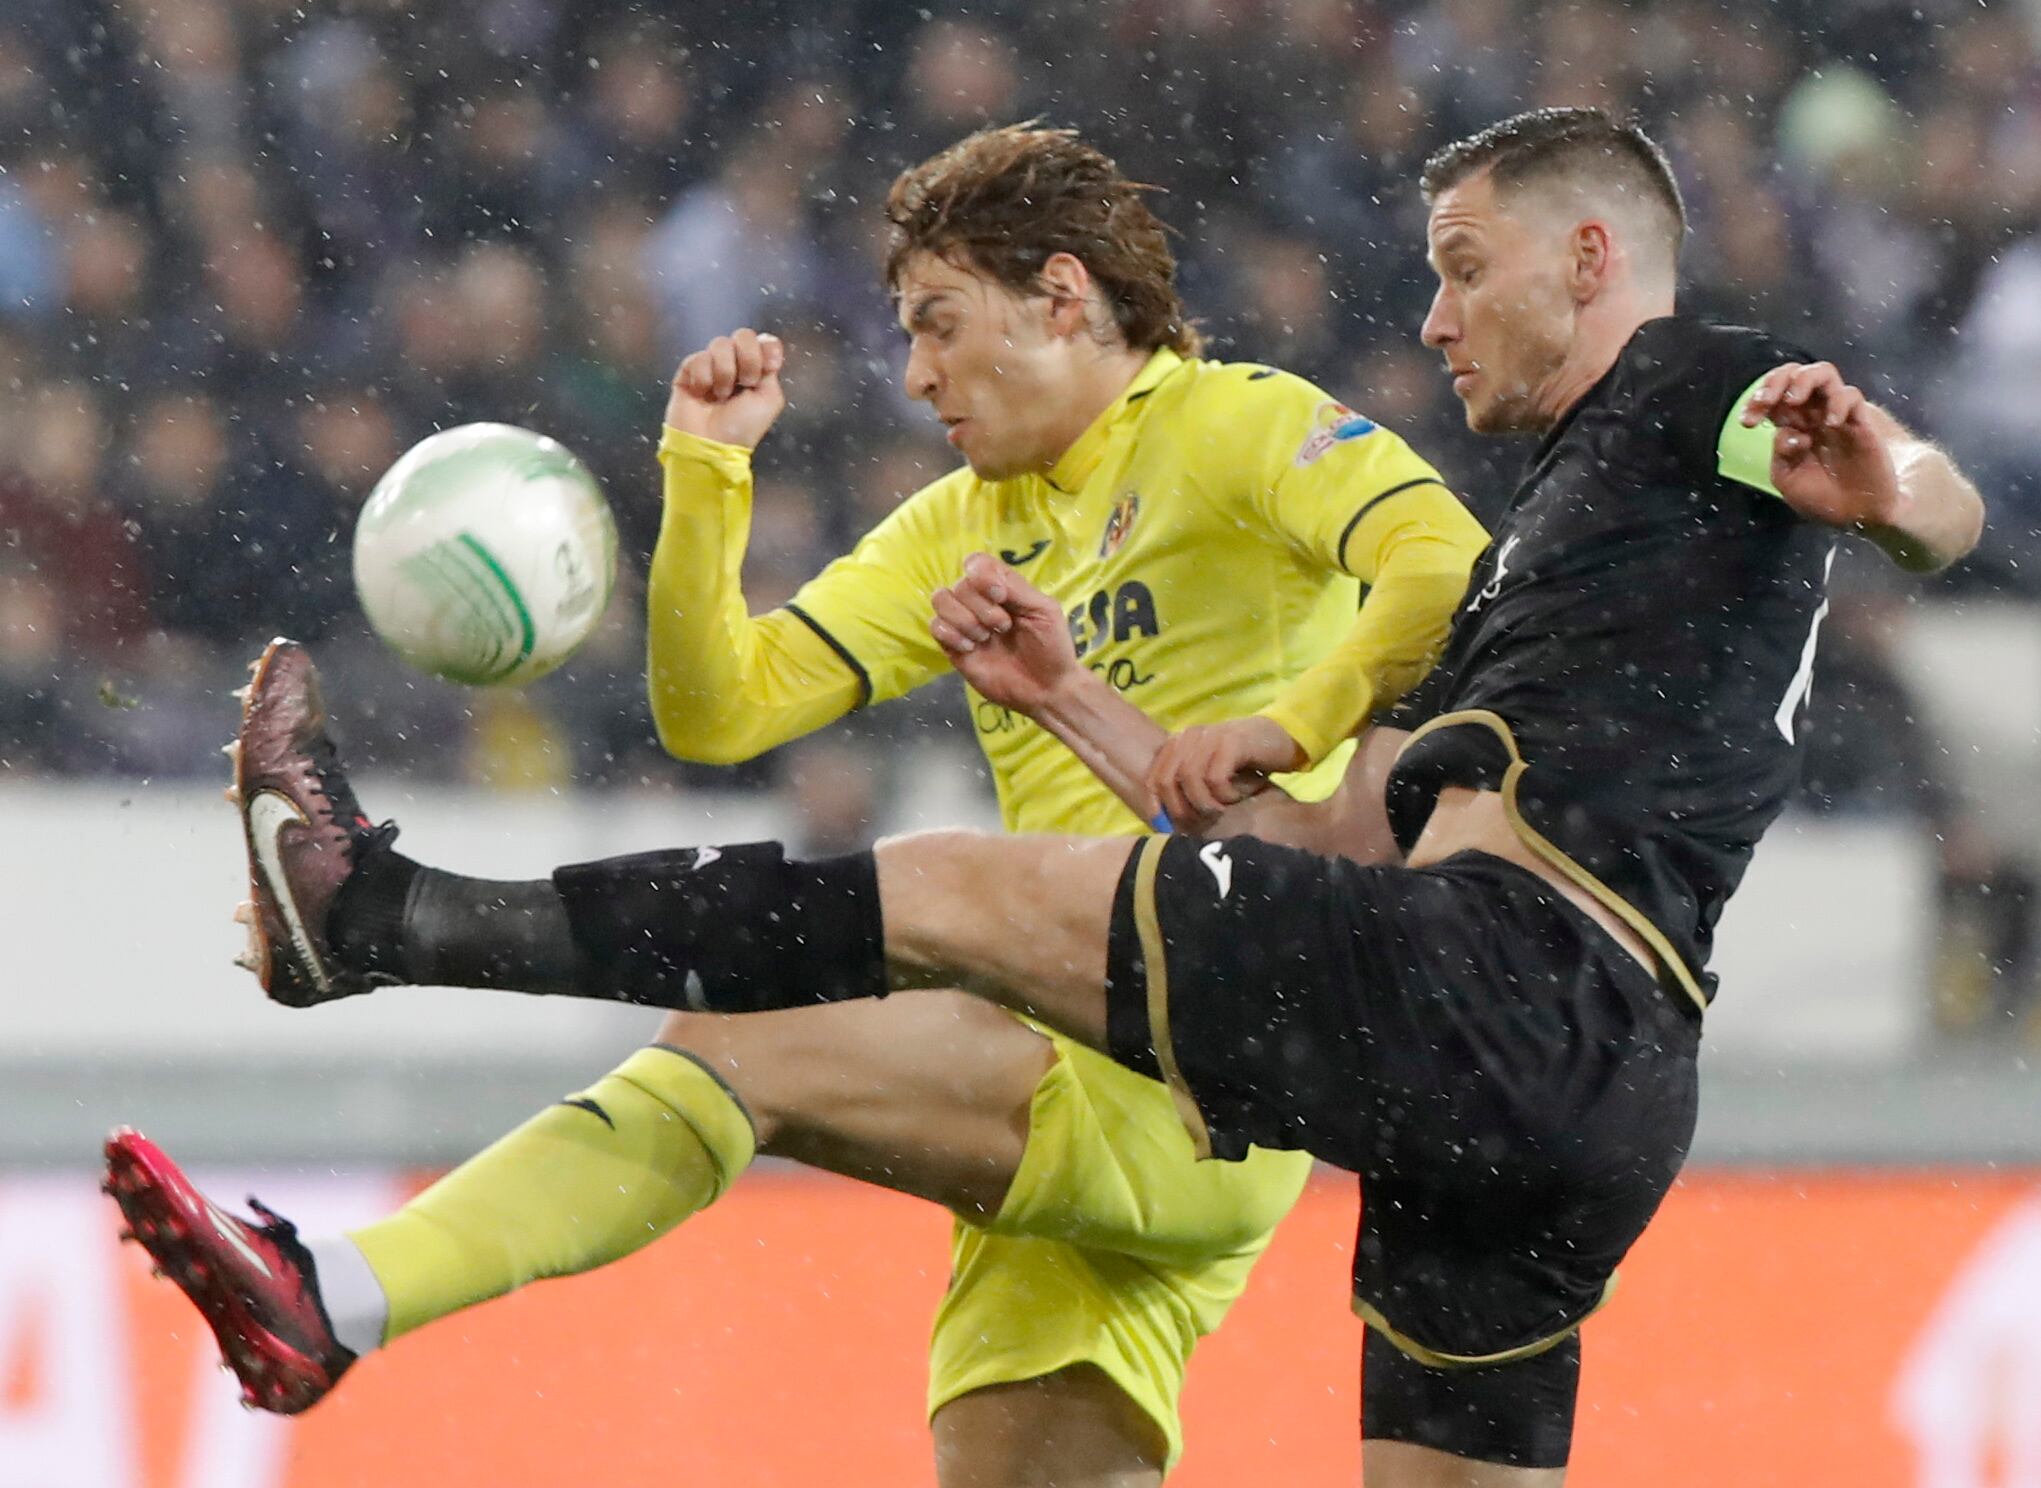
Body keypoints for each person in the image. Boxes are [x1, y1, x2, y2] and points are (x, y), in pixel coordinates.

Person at [112, 107, 1984, 1484]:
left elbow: (1455, 575)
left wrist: (1892, 487)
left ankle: (379, 953)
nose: (910, 368)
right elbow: (720, 707)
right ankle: (331, 1252)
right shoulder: (973, 529)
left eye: (935, 322)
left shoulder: (1290, 426)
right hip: (1341, 1020)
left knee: (788, 1008)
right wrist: (717, 490)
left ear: (1062, 300)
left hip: (1238, 1033)